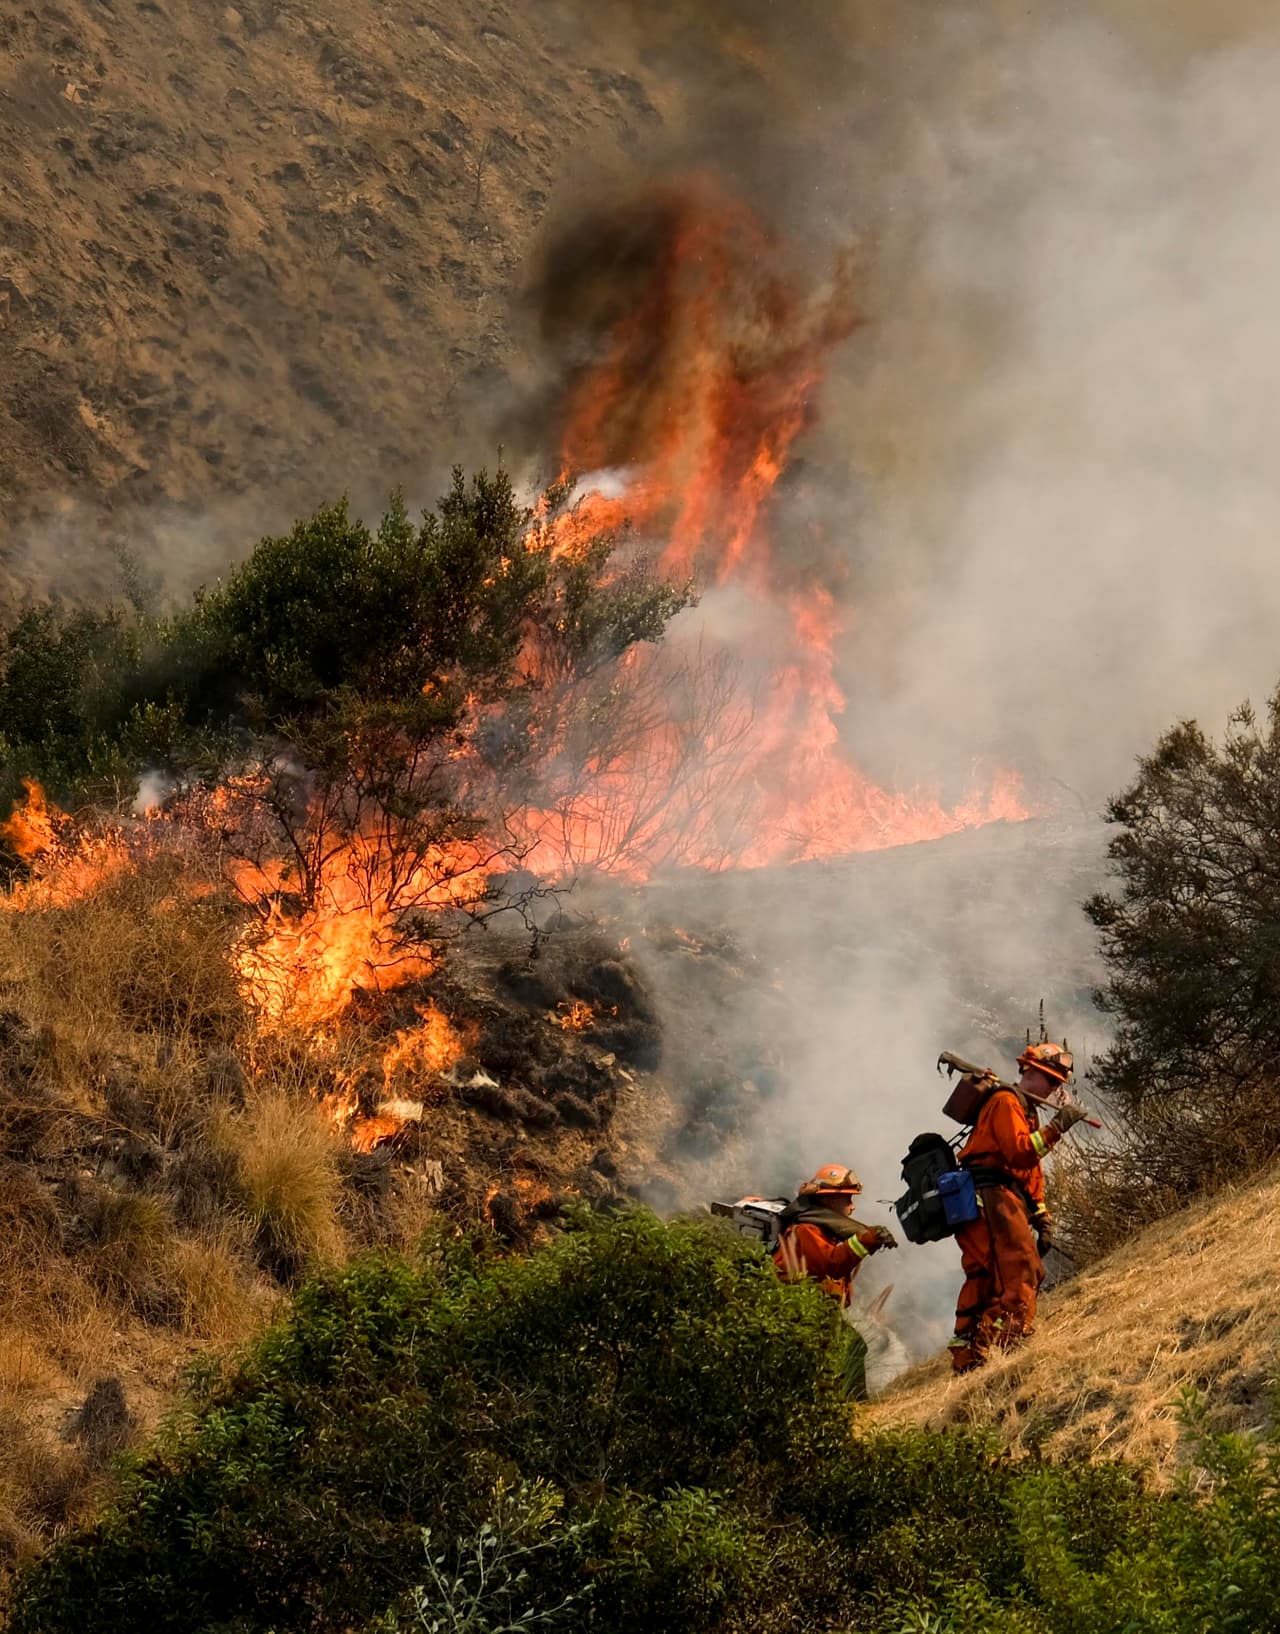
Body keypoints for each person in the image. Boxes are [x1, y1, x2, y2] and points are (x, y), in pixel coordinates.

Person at [948, 1041, 1089, 1372]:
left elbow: (1030, 1171)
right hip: (992, 1195)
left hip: (1004, 1196)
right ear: (1031, 1072)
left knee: (991, 1276)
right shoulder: (1005, 1103)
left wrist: (1041, 1215)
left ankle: (973, 1356)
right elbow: (1019, 1153)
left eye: (1058, 1085)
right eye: (1052, 1081)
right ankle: (1007, 1347)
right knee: (1022, 1269)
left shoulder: (1026, 1110)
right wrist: (1057, 1128)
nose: (1055, 1090)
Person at [773, 1163, 897, 1399]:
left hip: (817, 1311)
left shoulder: (821, 1230)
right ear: (829, 1201)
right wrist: (866, 1242)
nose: (852, 1206)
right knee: (850, 1347)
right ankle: (854, 1407)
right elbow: (832, 1263)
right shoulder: (806, 1230)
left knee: (848, 1349)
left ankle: (841, 1406)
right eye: (847, 1199)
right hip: (799, 1312)